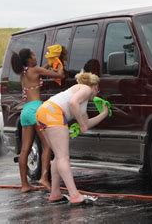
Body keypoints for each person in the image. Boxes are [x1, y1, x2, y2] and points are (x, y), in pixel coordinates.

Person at [36, 71, 108, 204]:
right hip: (54, 113)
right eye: (98, 87)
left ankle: (55, 193)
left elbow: (86, 123)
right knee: (63, 157)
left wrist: (104, 113)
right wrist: (81, 124)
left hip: (43, 112)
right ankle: (74, 195)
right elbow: (72, 103)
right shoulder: (85, 89)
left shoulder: (82, 100)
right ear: (94, 86)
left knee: (58, 156)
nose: (98, 91)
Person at [11, 48, 64, 192]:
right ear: (29, 59)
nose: (36, 57)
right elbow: (60, 75)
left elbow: (40, 70)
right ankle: (44, 178)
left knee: (24, 150)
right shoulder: (35, 70)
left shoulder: (24, 73)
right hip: (37, 110)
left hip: (26, 111)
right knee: (47, 145)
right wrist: (59, 64)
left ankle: (24, 185)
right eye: (34, 55)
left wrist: (47, 64)